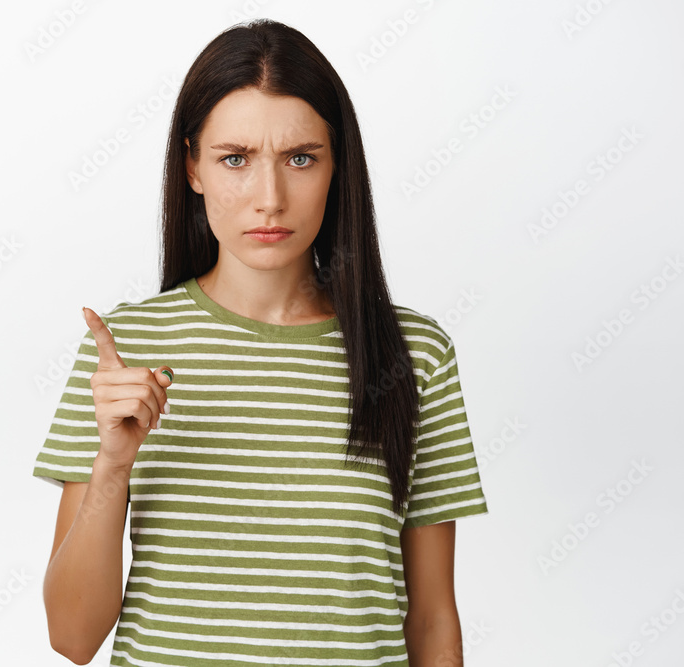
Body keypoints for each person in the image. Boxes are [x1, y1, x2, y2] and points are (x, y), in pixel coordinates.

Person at [32, 18, 489, 666]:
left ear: (337, 167)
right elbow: (71, 637)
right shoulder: (127, 349)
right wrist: (113, 462)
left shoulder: (414, 354)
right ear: (193, 166)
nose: (269, 198)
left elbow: (434, 620)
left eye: (300, 157)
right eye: (235, 158)